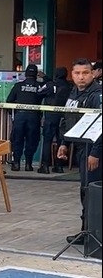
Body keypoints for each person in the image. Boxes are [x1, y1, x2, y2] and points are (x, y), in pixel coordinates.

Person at [57, 58, 102, 245]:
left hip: (94, 149)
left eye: (85, 73)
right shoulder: (74, 93)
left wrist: (96, 153)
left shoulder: (97, 95)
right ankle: (86, 231)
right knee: (84, 190)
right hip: (80, 147)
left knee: (93, 190)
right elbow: (68, 119)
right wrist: (63, 143)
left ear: (93, 74)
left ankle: (94, 234)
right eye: (77, 73)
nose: (81, 77)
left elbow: (101, 125)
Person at [6, 64, 43, 172]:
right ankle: (28, 164)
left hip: (20, 116)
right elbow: (49, 88)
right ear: (36, 74)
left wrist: (12, 113)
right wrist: (44, 77)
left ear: (25, 74)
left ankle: (16, 163)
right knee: (32, 140)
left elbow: (9, 100)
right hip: (34, 116)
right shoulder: (39, 86)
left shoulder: (18, 86)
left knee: (17, 139)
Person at [37, 67, 72, 174]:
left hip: (51, 116)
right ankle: (59, 165)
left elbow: (39, 92)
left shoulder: (51, 85)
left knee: (47, 141)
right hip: (64, 117)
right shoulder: (70, 86)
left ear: (55, 75)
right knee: (61, 141)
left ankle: (45, 166)